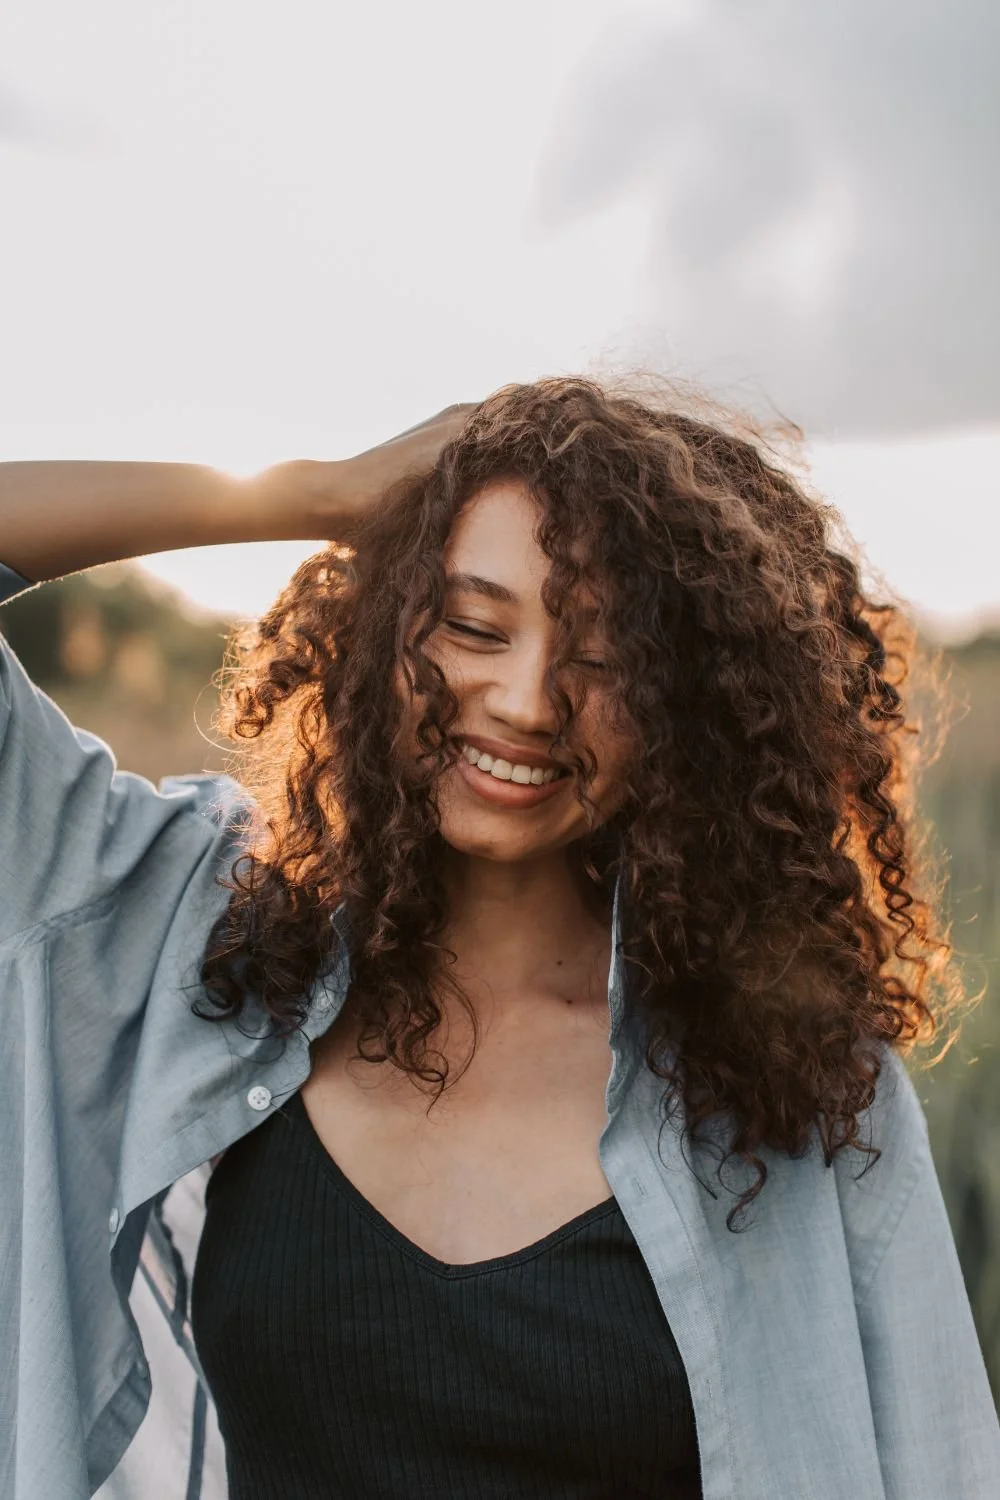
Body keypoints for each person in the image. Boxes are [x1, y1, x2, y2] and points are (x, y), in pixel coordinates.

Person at [1, 375, 998, 1500]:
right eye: (474, 625)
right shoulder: (208, 940)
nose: (527, 703)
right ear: (384, 626)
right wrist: (321, 492)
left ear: (688, 703)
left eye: (603, 659)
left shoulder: (797, 1082)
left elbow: (940, 1468)